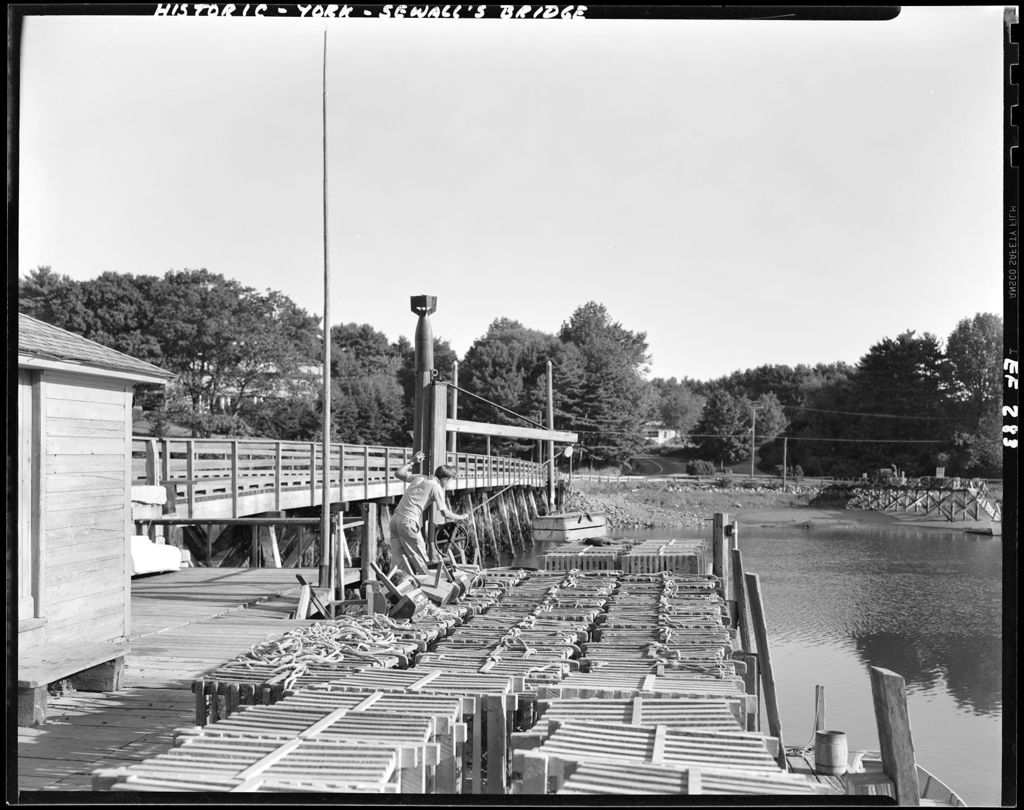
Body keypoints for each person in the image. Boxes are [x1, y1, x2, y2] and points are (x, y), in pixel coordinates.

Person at [389, 451, 467, 574]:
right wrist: (461, 517)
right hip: (408, 522)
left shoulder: (420, 477)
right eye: (449, 481)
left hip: (394, 520)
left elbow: (398, 473)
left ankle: (397, 587)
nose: (447, 484)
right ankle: (429, 587)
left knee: (398, 562)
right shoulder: (435, 486)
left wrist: (412, 461)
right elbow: (445, 513)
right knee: (420, 558)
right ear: (445, 479)